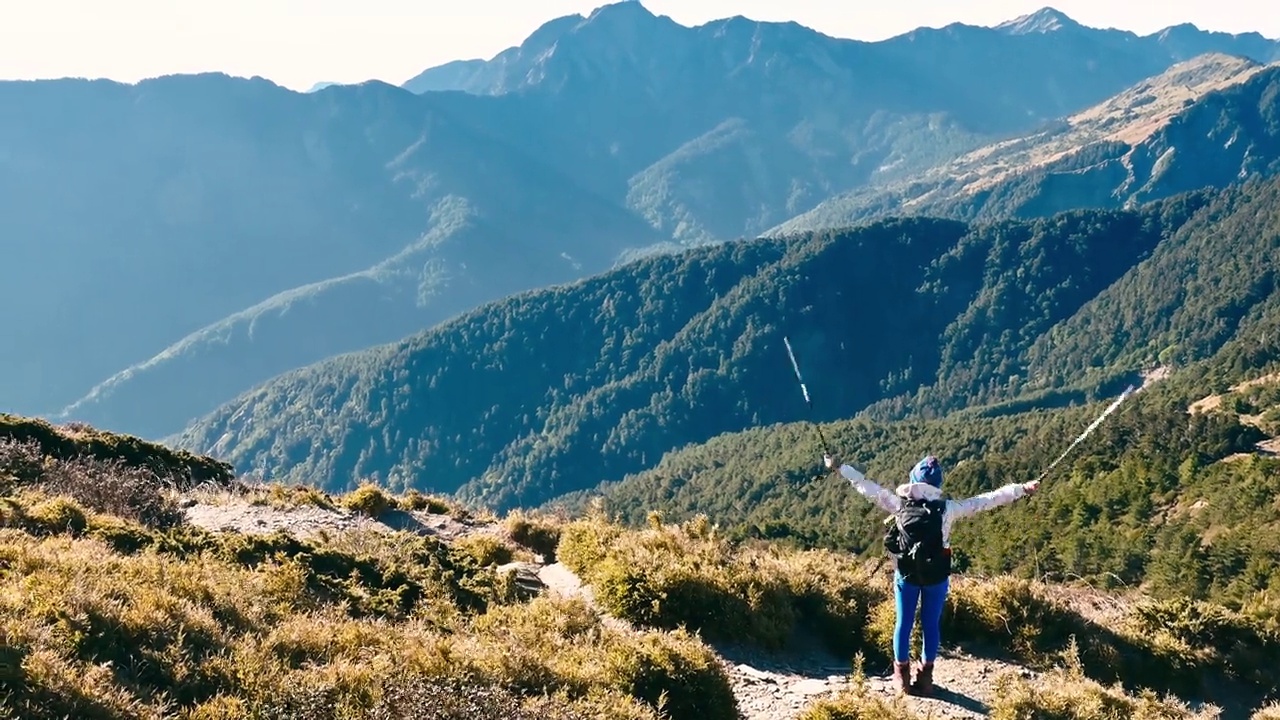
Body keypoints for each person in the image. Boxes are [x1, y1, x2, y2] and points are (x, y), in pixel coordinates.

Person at [823, 452, 1039, 696]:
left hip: (906, 575)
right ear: (937, 485)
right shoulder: (947, 509)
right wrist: (1022, 488)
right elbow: (987, 499)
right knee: (930, 625)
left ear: (912, 479)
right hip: (937, 576)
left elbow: (865, 486)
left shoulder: (898, 504)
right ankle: (925, 679)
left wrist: (839, 468)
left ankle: (901, 677)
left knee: (903, 624)